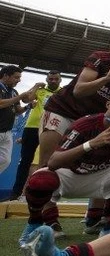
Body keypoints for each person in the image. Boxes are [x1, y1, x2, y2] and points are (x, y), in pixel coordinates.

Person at [19, 90, 110, 242]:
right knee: (40, 179)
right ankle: (36, 222)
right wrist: (91, 144)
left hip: (97, 177)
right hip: (70, 174)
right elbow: (53, 162)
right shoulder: (85, 124)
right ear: (108, 104)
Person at [39, 39, 110, 167]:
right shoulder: (103, 58)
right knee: (47, 164)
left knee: (75, 165)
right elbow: (79, 91)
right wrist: (106, 78)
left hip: (91, 123)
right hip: (63, 111)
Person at [11, 70, 62, 200]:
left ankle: (49, 193)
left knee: (51, 161)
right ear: (46, 80)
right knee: (25, 161)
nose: (53, 81)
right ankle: (16, 193)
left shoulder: (63, 92)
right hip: (32, 128)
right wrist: (35, 86)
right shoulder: (40, 91)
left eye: (56, 79)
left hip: (51, 128)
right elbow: (26, 99)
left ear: (60, 80)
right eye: (50, 79)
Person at [1, 66, 43, 175]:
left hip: (7, 132)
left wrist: (28, 107)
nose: (19, 80)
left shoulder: (14, 91)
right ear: (5, 76)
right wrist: (19, 97)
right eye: (16, 77)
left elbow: (17, 111)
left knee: (5, 160)